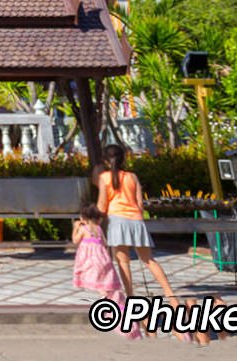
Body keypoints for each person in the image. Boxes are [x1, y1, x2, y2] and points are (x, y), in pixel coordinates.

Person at [96, 143, 177, 303]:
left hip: (116, 220)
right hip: (136, 220)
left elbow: (102, 204)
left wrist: (94, 220)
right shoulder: (132, 177)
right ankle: (170, 293)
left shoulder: (104, 178)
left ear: (106, 161)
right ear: (123, 159)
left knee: (123, 262)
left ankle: (130, 296)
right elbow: (140, 203)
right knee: (148, 260)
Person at [73, 203, 141, 340]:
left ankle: (105, 300)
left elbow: (75, 241)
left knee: (93, 278)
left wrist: (75, 228)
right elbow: (104, 243)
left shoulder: (83, 229)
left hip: (90, 262)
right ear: (97, 219)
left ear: (84, 217)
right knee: (105, 282)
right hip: (103, 260)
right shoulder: (98, 229)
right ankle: (108, 299)